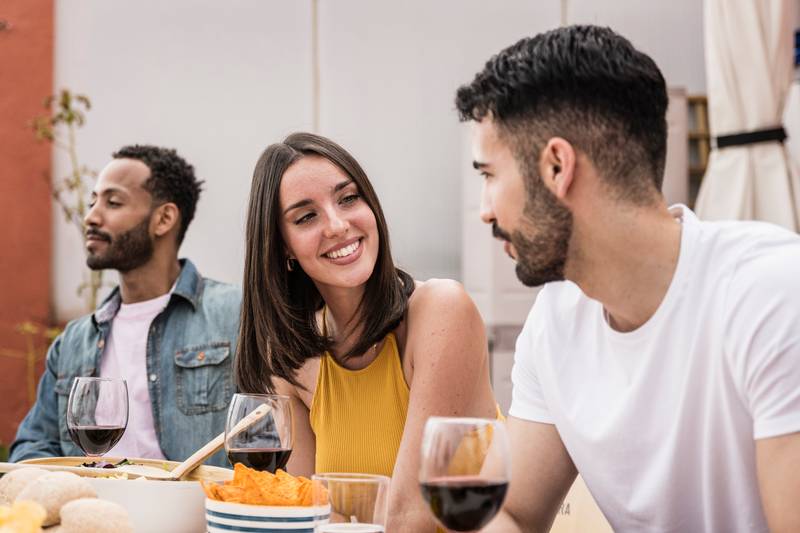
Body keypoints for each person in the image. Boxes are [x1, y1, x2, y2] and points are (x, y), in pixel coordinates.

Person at [455, 25, 800, 533]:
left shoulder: (773, 293)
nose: (485, 212)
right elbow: (514, 513)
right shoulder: (556, 320)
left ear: (557, 166)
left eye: (489, 175)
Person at [236, 132, 498, 530]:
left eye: (348, 198)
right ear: (283, 247)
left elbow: (415, 519)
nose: (338, 225)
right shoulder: (290, 357)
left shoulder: (441, 311)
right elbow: (302, 515)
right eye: (306, 217)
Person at [11, 145, 242, 467]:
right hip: (97, 513)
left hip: (199, 514)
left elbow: (274, 431)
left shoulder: (237, 314)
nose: (91, 216)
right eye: (93, 201)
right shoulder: (74, 341)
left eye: (113, 202)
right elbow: (33, 447)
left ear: (163, 219)